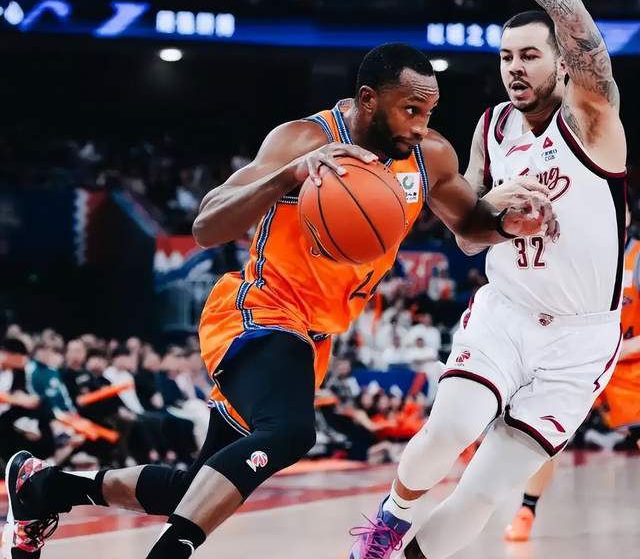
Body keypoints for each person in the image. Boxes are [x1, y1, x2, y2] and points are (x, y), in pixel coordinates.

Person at [3, 43, 554, 559]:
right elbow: (206, 226)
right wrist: (287, 177)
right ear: (368, 99)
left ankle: (42, 487)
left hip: (312, 339)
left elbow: (469, 226)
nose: (420, 125)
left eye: (428, 113)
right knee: (290, 433)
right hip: (260, 312)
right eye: (410, 110)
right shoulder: (303, 140)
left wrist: (506, 223)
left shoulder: (428, 156)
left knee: (196, 489)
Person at [348, 0, 626, 558]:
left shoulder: (592, 119)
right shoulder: (493, 127)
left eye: (530, 55)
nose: (515, 68)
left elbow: (582, 28)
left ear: (562, 62)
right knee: (450, 426)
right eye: (506, 57)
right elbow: (469, 239)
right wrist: (496, 209)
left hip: (581, 342)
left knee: (484, 490)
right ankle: (385, 529)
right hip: (508, 313)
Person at [505, 210, 640, 543]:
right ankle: (526, 511)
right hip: (579, 357)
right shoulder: (573, 253)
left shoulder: (636, 259)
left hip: (626, 362)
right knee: (546, 438)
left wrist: (620, 349)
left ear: (626, 218)